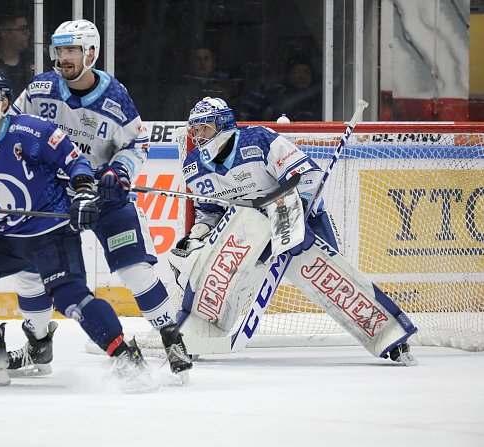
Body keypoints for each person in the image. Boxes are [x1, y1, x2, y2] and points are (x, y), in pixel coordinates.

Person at [0, 70, 152, 388]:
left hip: (52, 233)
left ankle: (126, 356)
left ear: (4, 102)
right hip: (8, 239)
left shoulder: (32, 131)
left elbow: (76, 163)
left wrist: (86, 193)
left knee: (72, 298)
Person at [10, 19, 193, 382]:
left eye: (71, 51)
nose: (63, 58)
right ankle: (38, 345)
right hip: (54, 198)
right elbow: (12, 129)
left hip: (104, 197)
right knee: (29, 270)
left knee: (135, 270)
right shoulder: (39, 90)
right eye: (59, 50)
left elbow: (136, 144)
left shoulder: (115, 98)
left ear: (90, 53)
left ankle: (172, 339)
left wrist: (120, 172)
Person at [175, 96, 417, 365]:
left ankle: (390, 335)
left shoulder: (258, 140)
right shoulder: (194, 166)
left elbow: (307, 177)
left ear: (223, 125)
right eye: (194, 130)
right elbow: (210, 212)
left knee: (328, 277)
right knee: (216, 270)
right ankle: (193, 332)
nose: (197, 136)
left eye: (204, 128)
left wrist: (282, 206)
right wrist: (196, 236)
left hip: (296, 214)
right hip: (249, 227)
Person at [169, 45, 236, 121]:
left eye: (206, 58)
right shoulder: (180, 93)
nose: (202, 62)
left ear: (212, 62)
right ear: (191, 63)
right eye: (198, 59)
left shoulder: (220, 92)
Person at [263, 55, 322, 121]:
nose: (301, 76)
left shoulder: (320, 99)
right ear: (288, 76)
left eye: (306, 71)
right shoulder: (278, 97)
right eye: (295, 72)